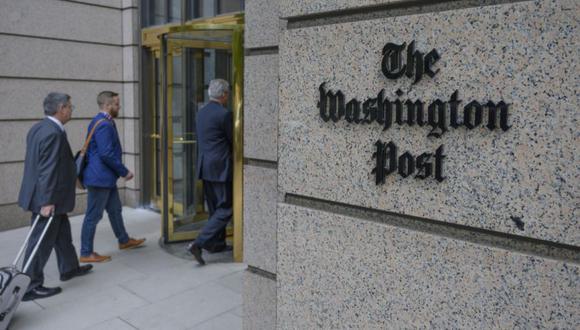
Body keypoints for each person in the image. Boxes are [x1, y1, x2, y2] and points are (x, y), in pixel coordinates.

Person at [18, 92, 93, 301]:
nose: (71, 110)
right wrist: (47, 201)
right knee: (40, 242)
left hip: (50, 195)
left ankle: (69, 268)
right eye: (70, 106)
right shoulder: (52, 133)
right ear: (61, 108)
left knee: (62, 235)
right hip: (48, 197)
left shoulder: (40, 128)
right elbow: (47, 169)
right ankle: (30, 286)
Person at [79, 91, 145, 263]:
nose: (119, 106)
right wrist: (124, 172)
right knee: (93, 216)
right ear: (107, 106)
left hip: (105, 178)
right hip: (100, 179)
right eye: (116, 104)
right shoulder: (104, 125)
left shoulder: (101, 121)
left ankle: (124, 240)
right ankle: (86, 252)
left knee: (115, 210)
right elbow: (106, 154)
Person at [187, 79, 234, 265]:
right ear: (223, 95)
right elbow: (232, 140)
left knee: (215, 208)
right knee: (226, 208)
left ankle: (217, 244)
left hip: (205, 166)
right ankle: (198, 243)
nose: (228, 97)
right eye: (227, 94)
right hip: (221, 167)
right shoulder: (225, 114)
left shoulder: (201, 113)